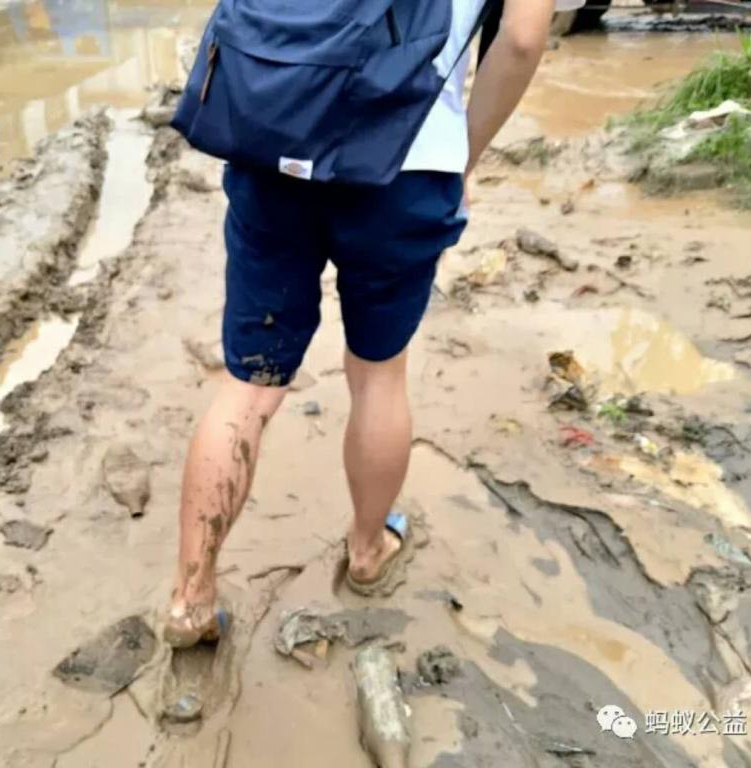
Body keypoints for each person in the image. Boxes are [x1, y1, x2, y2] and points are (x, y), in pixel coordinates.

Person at [165, 0, 557, 647]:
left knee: (249, 387)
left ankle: (190, 599)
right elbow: (520, 38)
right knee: (379, 375)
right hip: (407, 166)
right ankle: (368, 551)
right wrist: (463, 157)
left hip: (273, 141)